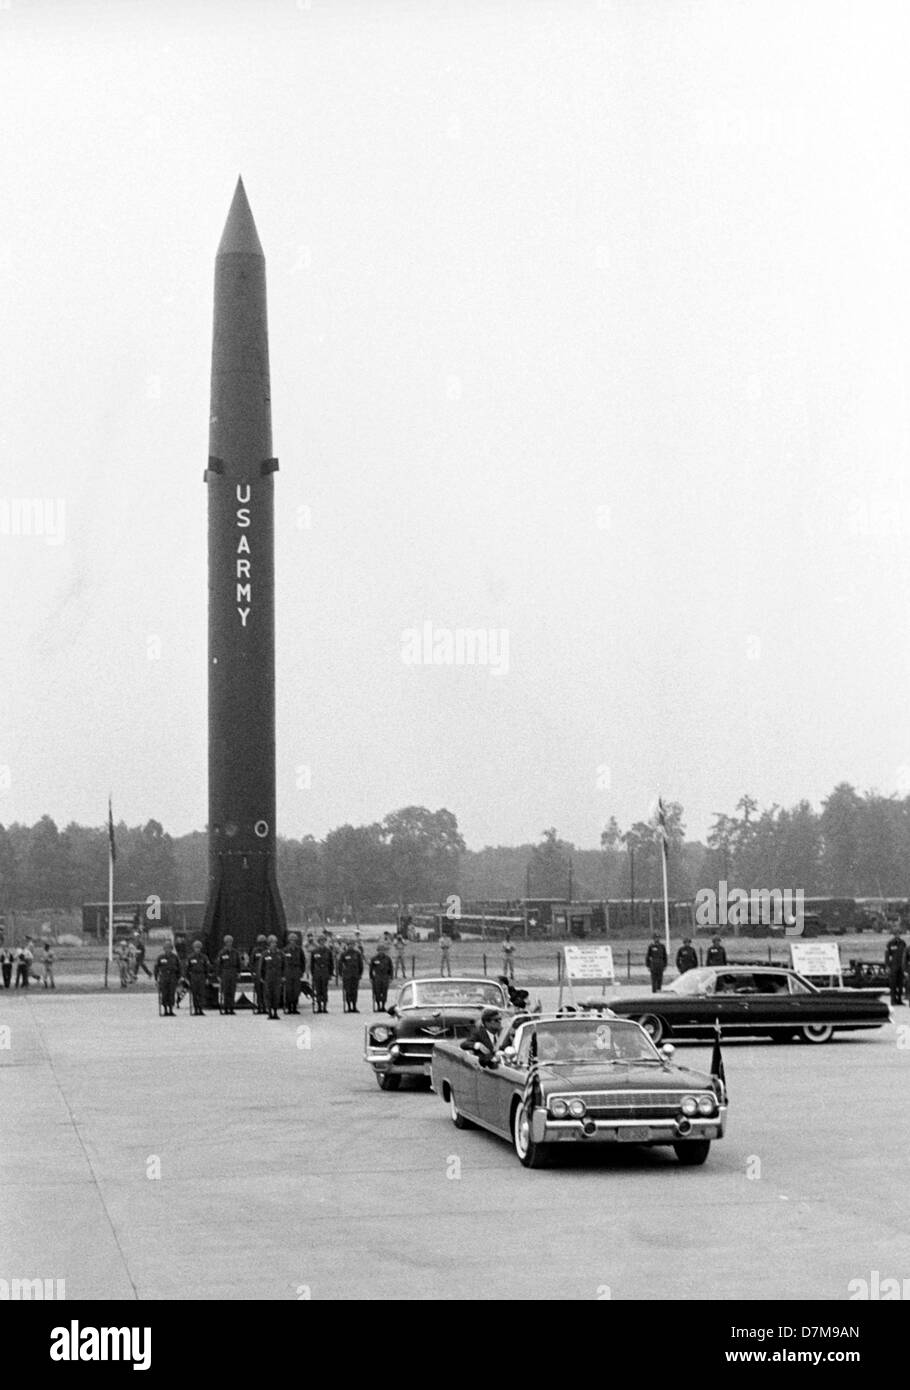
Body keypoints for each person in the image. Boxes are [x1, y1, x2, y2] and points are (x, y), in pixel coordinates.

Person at [259, 935, 284, 1020]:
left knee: (276, 995)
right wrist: (261, 977)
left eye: (275, 942)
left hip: (277, 977)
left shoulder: (280, 953)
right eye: (272, 943)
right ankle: (270, 1012)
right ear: (269, 944)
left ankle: (275, 1012)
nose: (274, 944)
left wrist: (283, 976)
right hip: (268, 977)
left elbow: (284, 966)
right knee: (268, 995)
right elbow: (261, 966)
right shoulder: (265, 954)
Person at [154, 942, 181, 1017]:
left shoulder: (175, 957)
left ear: (172, 949)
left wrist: (178, 978)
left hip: (172, 977)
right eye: (166, 948)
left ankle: (171, 1010)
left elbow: (179, 968)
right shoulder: (160, 957)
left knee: (171, 993)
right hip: (164, 977)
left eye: (169, 948)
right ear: (164, 949)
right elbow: (156, 968)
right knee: (164, 993)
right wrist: (156, 979)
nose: (168, 950)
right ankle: (165, 1010)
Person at [185, 939, 211, 1016]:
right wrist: (187, 979)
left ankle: (200, 1009)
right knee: (195, 993)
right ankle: (196, 1009)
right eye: (196, 947)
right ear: (194, 948)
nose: (197, 949)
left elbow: (207, 968)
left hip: (202, 976)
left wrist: (207, 977)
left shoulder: (204, 957)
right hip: (193, 976)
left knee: (201, 993)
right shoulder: (190, 957)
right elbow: (187, 969)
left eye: (199, 948)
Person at [217, 934, 241, 1014]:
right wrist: (218, 975)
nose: (229, 943)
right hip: (225, 972)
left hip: (233, 972)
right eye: (227, 942)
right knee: (226, 991)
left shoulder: (235, 952)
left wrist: (239, 972)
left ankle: (231, 1008)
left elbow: (238, 963)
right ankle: (226, 1008)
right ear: (225, 943)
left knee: (232, 991)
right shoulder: (222, 953)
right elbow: (218, 964)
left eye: (230, 942)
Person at [282, 932, 306, 1014]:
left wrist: (302, 971)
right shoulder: (285, 950)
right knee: (289, 991)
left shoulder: (299, 950)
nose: (293, 942)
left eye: (294, 940)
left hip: (296, 971)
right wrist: (283, 974)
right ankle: (289, 1008)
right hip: (288, 971)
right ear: (289, 941)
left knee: (296, 990)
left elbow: (303, 961)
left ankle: (295, 1007)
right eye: (291, 940)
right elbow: (282, 963)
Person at [310, 935, 333, 1014]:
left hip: (325, 972)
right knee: (318, 990)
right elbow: (312, 964)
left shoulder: (328, 951)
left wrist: (330, 973)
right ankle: (319, 1006)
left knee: (324, 990)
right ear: (318, 942)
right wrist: (313, 974)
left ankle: (324, 1007)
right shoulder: (314, 951)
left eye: (323, 941)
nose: (322, 942)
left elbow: (331, 963)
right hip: (317, 973)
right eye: (320, 941)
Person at [338, 939, 364, 1012]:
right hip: (347, 975)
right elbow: (340, 964)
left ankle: (354, 1006)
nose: (351, 946)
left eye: (352, 944)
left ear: (354, 945)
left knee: (354, 991)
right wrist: (340, 974)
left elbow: (360, 964)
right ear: (347, 945)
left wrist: (360, 974)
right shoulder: (344, 954)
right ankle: (349, 1007)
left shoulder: (357, 953)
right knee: (348, 991)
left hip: (355, 975)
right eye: (349, 945)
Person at [884, 930, 907, 1007]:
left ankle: (899, 1000)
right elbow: (887, 956)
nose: (898, 935)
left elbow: (906, 955)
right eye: (896, 934)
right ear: (894, 935)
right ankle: (893, 1000)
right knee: (893, 984)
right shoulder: (890, 943)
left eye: (899, 934)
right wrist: (887, 966)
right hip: (893, 966)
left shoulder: (903, 943)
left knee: (900, 984)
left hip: (901, 966)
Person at [369, 944, 394, 1011]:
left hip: (385, 977)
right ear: (378, 951)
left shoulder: (388, 958)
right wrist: (371, 978)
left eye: (382, 950)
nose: (381, 951)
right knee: (377, 992)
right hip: (377, 978)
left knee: (384, 992)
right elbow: (371, 969)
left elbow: (391, 968)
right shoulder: (374, 959)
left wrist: (391, 977)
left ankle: (383, 1006)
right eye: (380, 950)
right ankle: (378, 1006)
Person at [249, 934, 268, 1014]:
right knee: (259, 991)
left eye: (263, 942)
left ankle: (265, 1007)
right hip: (257, 974)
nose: (262, 944)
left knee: (265, 991)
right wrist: (252, 972)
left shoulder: (267, 951)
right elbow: (251, 962)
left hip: (266, 974)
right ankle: (260, 1007)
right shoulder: (255, 951)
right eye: (260, 942)